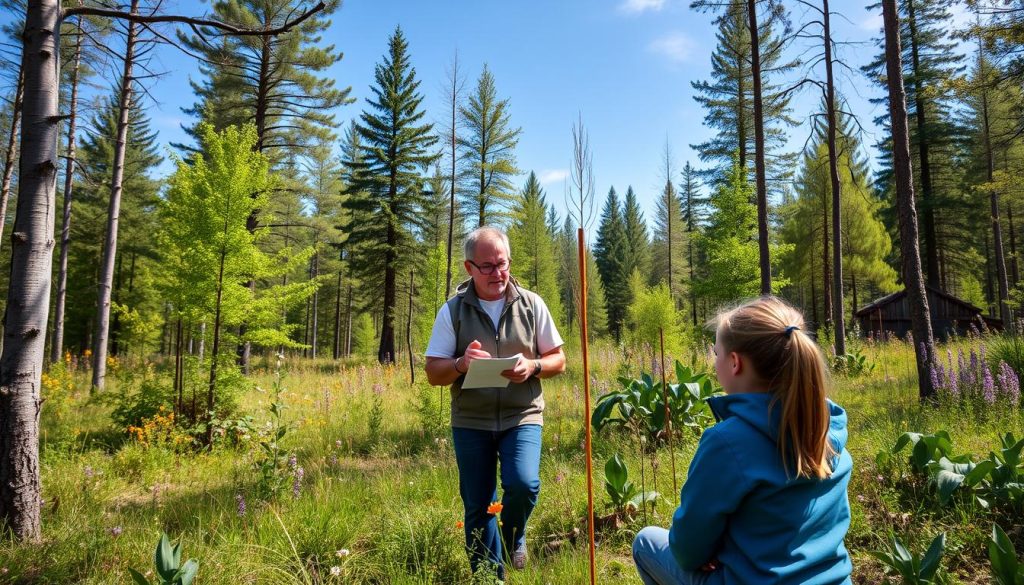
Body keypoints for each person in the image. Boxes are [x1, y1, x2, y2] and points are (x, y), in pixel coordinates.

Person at [632, 296, 853, 585]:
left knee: (645, 542)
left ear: (735, 363)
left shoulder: (727, 443)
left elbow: (687, 552)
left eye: (716, 352)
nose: (715, 360)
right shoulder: (826, 425)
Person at [425, 226, 566, 580]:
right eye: (486, 266)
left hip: (523, 415)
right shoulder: (453, 311)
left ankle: (513, 537)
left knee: (523, 484)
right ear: (469, 268)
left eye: (501, 264)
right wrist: (460, 364)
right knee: (478, 505)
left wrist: (533, 365)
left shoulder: (531, 304)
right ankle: (490, 577)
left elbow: (558, 360)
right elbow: (433, 372)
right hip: (471, 420)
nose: (497, 273)